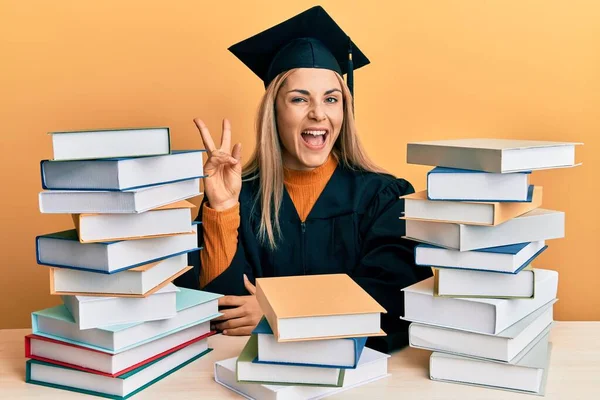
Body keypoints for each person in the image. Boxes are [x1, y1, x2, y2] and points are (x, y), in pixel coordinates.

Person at [175, 6, 432, 353]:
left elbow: (391, 301)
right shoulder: (242, 199)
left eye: (331, 99)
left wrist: (276, 314)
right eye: (299, 99)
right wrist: (221, 209)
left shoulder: (383, 197)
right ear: (273, 111)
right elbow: (222, 312)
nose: (318, 113)